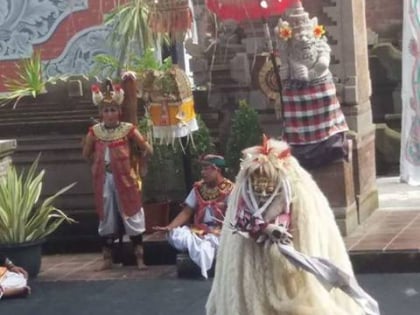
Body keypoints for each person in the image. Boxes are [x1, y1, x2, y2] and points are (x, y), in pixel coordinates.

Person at [206, 137, 379, 315]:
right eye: (259, 185)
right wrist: (265, 228)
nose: (263, 191)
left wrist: (279, 230)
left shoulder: (301, 193)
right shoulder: (243, 191)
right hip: (252, 254)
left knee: (300, 290)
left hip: (289, 259)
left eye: (268, 186)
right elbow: (240, 220)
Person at [82, 80, 153, 271]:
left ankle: (139, 258)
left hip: (126, 179)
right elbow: (86, 154)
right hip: (105, 179)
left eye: (113, 110)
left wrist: (138, 161)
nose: (109, 114)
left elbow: (147, 148)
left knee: (132, 215)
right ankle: (107, 258)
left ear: (119, 111)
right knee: (107, 217)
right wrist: (99, 168)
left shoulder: (128, 129)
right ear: (101, 113)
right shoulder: (94, 132)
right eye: (106, 111)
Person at [153, 154, 234, 278]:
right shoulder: (198, 188)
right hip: (199, 230)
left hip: (221, 231)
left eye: (206, 169)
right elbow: (187, 211)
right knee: (174, 234)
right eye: (202, 169)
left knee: (229, 239)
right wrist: (169, 227)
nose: (202, 172)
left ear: (216, 169)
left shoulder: (230, 189)